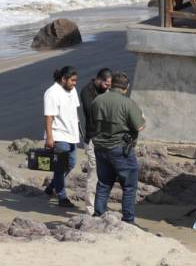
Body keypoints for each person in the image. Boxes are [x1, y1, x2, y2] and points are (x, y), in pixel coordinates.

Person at [90, 72, 145, 224]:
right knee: (129, 186)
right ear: (126, 87)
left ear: (112, 84)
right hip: (120, 148)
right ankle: (128, 220)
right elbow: (139, 126)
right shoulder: (127, 103)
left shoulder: (98, 100)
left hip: (100, 147)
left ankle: (98, 216)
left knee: (103, 183)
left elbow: (93, 121)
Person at [43, 66, 79, 208]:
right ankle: (62, 197)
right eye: (72, 80)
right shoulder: (52, 93)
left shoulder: (72, 90)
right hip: (58, 135)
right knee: (60, 167)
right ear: (63, 79)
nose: (75, 83)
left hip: (72, 135)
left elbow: (74, 113)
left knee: (71, 164)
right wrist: (50, 137)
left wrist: (79, 132)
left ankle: (51, 187)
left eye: (76, 80)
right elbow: (49, 117)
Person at [80, 68, 112, 215]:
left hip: (106, 139)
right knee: (93, 173)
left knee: (105, 173)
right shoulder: (87, 91)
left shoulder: (107, 92)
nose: (108, 87)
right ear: (99, 79)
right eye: (106, 84)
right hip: (93, 138)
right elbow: (91, 112)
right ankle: (90, 208)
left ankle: (101, 205)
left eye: (110, 85)